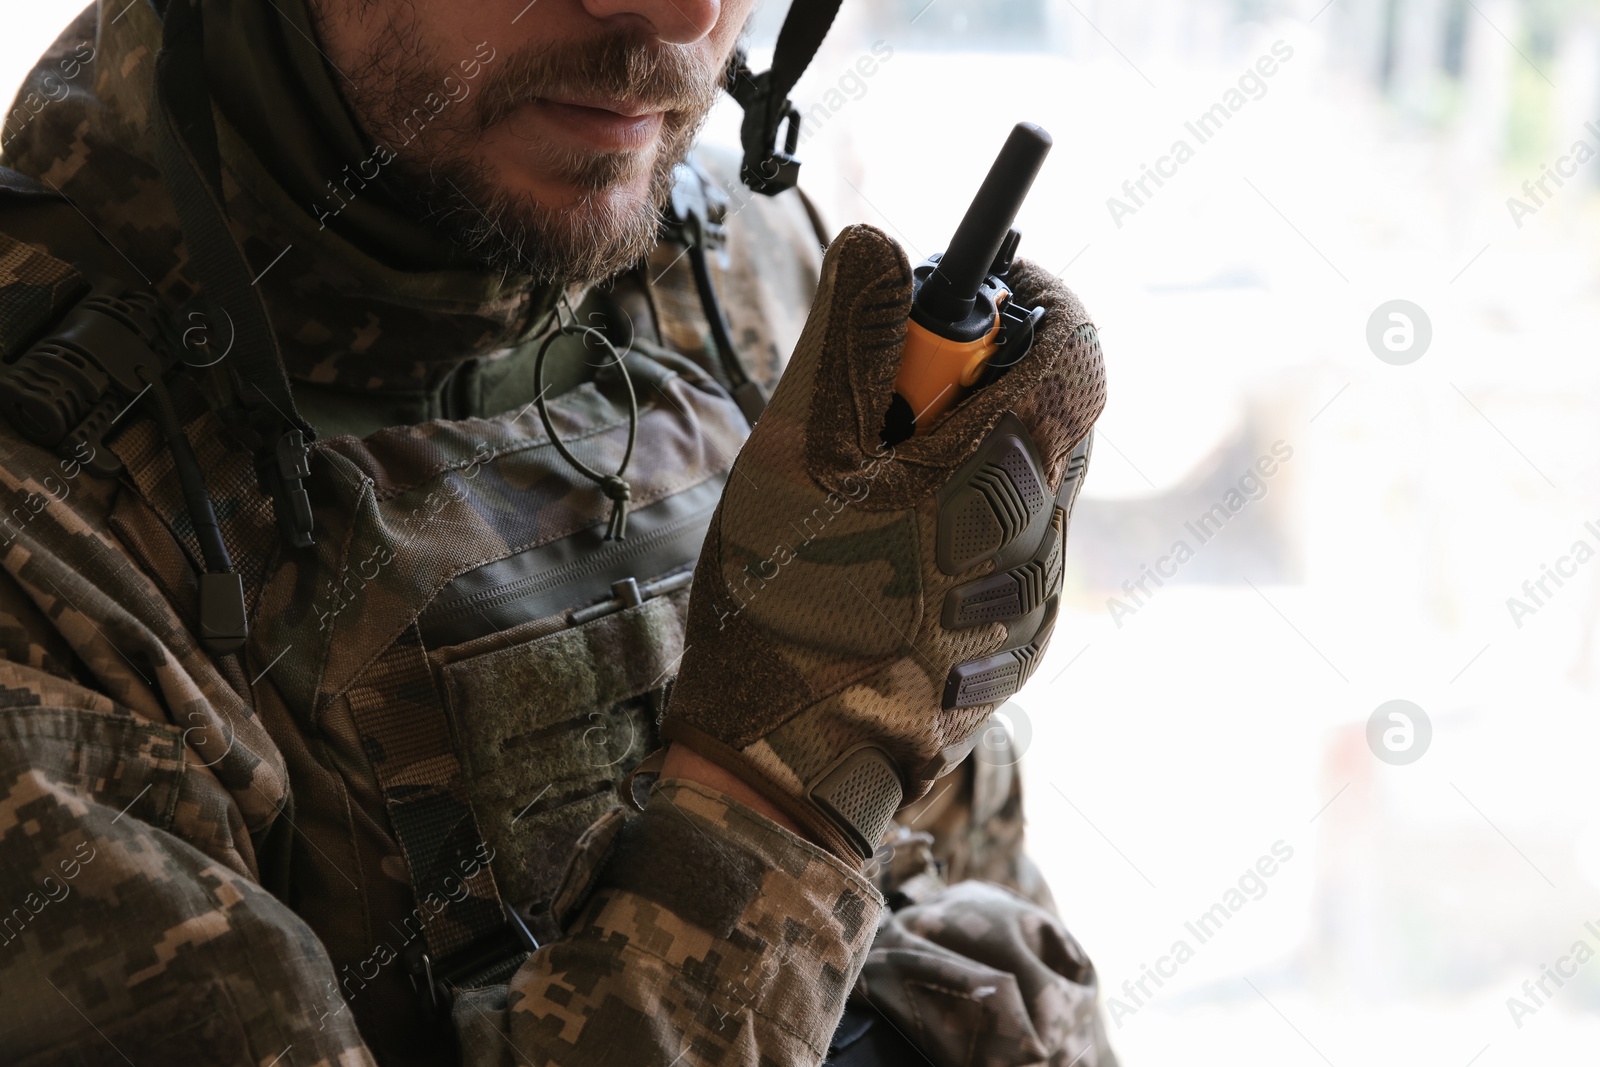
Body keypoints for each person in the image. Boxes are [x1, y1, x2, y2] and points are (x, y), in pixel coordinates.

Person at [0, 1, 1114, 1064]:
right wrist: (775, 792)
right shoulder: (41, 529)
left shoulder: (736, 269)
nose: (684, 15)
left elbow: (970, 875)